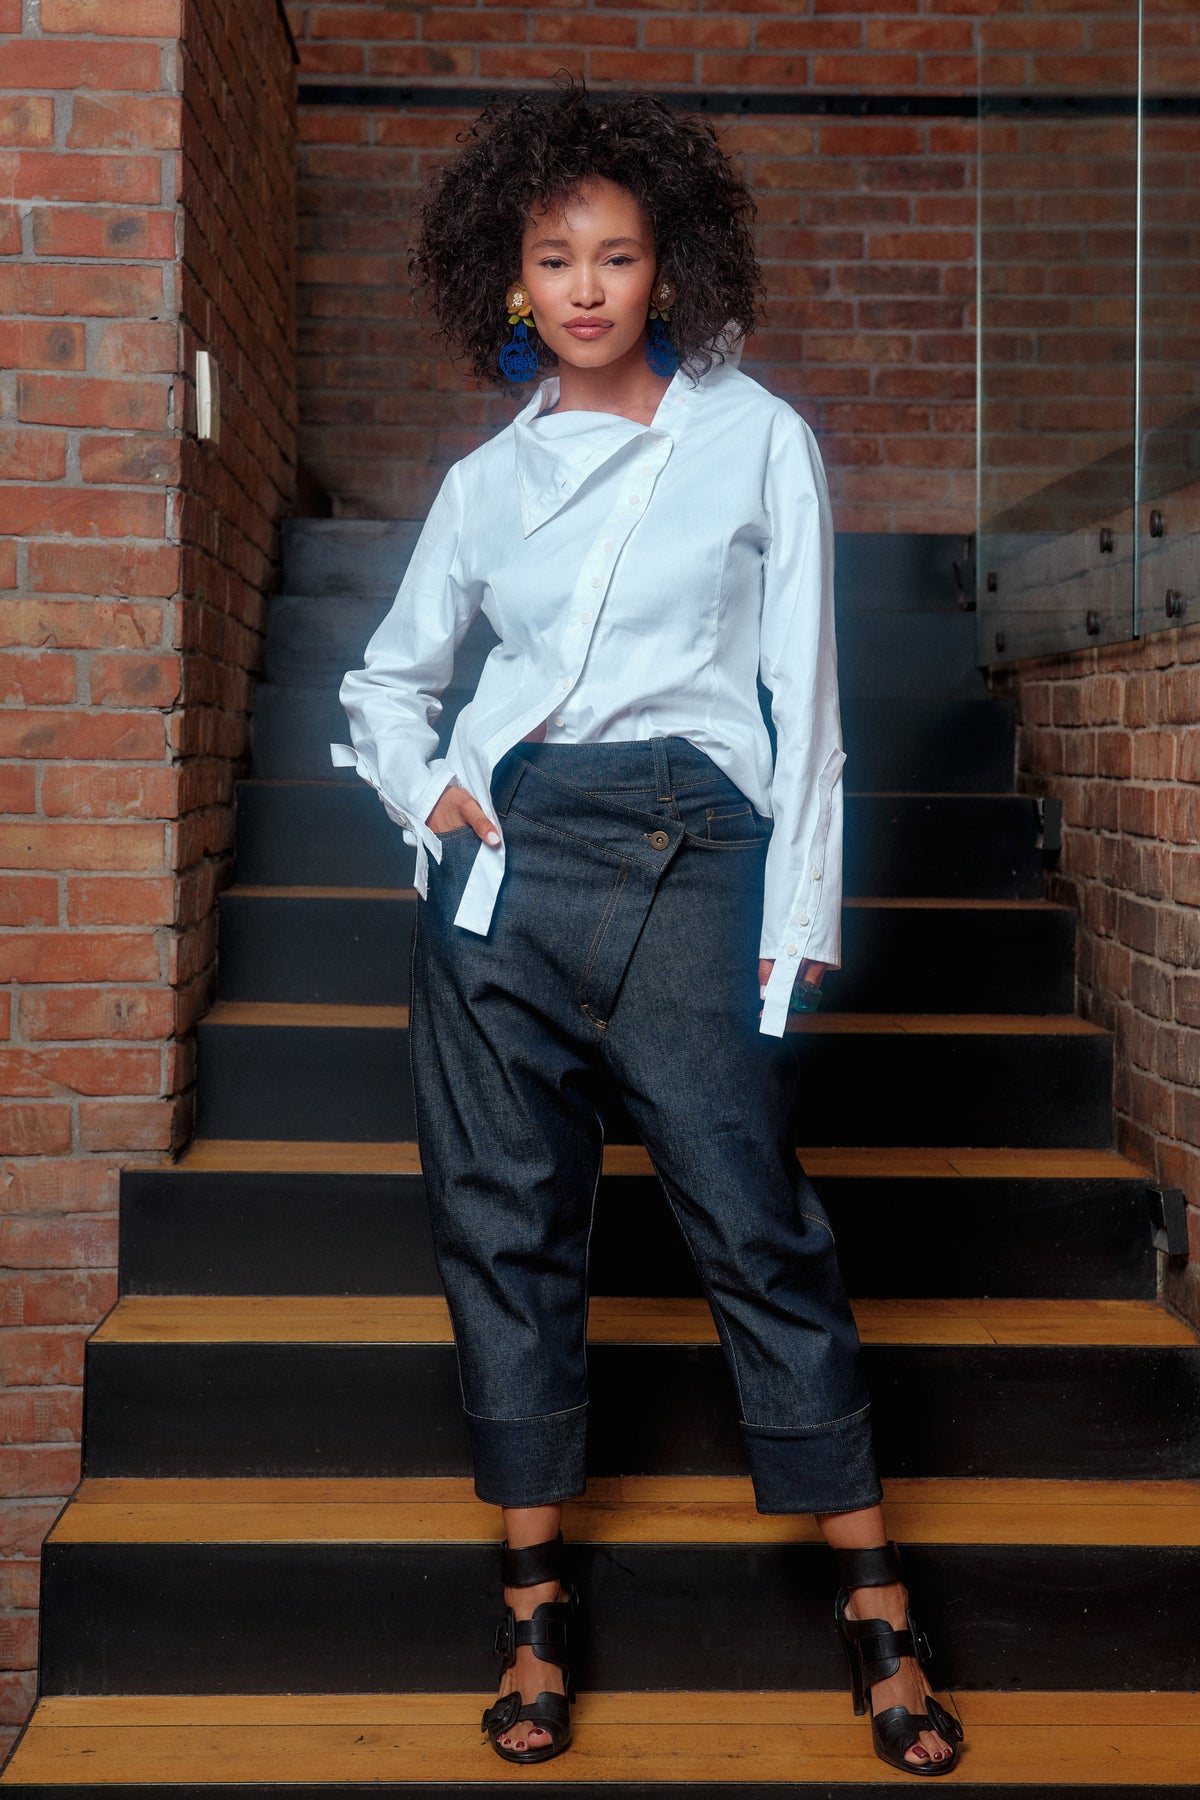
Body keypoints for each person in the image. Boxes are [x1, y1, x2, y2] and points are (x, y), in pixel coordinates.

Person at [331, 78, 962, 1779]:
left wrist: (799, 909)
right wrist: (428, 798)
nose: (589, 288)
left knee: (754, 1221)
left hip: (697, 857)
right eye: (557, 260)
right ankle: (534, 1611)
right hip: (505, 877)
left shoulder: (755, 435)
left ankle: (877, 1603)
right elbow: (385, 685)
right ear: (513, 279)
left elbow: (808, 698)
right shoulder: (485, 482)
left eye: (616, 255)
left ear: (665, 267)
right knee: (504, 1229)